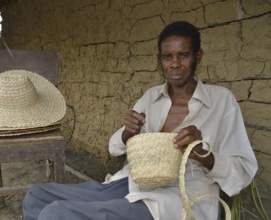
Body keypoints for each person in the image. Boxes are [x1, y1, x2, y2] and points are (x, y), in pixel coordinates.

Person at [22, 21, 258, 220]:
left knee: (56, 214)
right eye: (167, 57)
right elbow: (114, 147)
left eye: (183, 55)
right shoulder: (151, 98)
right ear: (160, 60)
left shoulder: (222, 102)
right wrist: (127, 133)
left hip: (178, 198)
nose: (174, 63)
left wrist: (202, 153)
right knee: (36, 196)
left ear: (198, 56)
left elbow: (244, 169)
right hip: (134, 184)